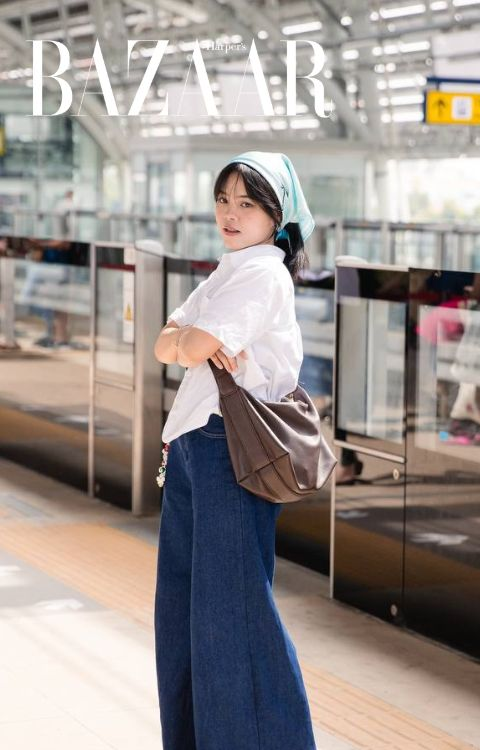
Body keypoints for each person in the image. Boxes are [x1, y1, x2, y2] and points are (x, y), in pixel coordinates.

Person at [151, 151, 318, 749]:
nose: (230, 212)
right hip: (194, 446)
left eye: (247, 203)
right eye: (224, 200)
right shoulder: (227, 270)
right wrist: (186, 341)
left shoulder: (264, 274)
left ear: (277, 215)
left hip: (229, 451)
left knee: (232, 617)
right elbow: (166, 343)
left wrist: (188, 340)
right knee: (184, 616)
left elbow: (191, 342)